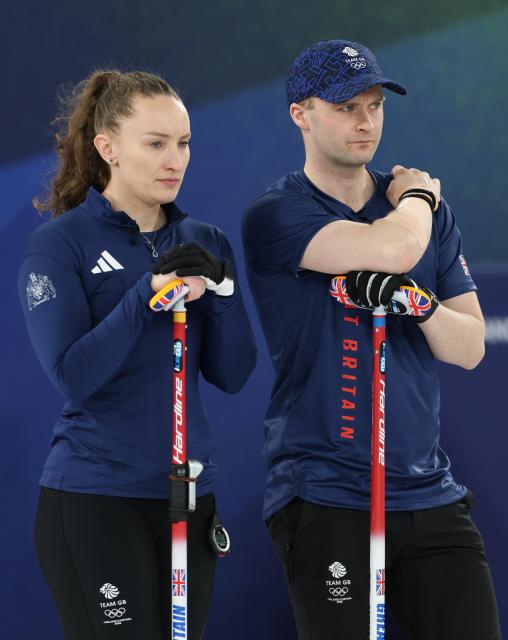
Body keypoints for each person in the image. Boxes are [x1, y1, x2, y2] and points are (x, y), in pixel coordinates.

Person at [242, 40, 500, 639]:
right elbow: (394, 249)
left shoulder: (427, 214)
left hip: (428, 493)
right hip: (327, 492)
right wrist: (416, 199)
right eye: (345, 107)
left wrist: (418, 303)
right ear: (300, 114)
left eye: (375, 105)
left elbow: (468, 347)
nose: (366, 121)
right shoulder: (278, 214)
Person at [18, 69, 256, 640]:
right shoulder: (60, 244)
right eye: (156, 144)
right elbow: (73, 376)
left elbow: (234, 373)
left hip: (187, 494)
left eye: (183, 143)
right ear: (108, 149)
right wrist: (144, 296)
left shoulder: (206, 240)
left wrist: (222, 295)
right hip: (97, 499)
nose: (175, 159)